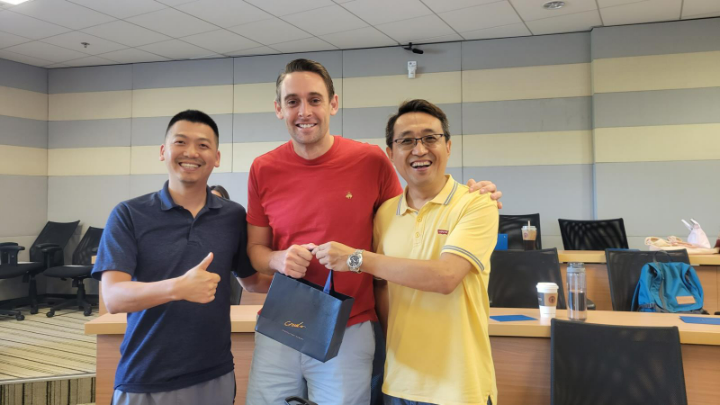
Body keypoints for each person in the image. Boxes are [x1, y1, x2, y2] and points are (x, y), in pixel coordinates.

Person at [245, 59, 502, 404]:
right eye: (293, 101)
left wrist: (473, 195)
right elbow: (256, 251)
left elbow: (414, 209)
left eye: (315, 99)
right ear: (279, 108)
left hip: (350, 324)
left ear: (333, 103)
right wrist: (277, 259)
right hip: (283, 320)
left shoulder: (370, 161)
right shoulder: (263, 168)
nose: (304, 111)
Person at [314, 99, 498, 405]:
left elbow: (446, 277)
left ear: (448, 146)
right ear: (391, 153)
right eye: (407, 141)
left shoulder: (476, 204)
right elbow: (381, 288)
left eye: (430, 138)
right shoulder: (385, 213)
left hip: (460, 387)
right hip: (398, 383)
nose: (420, 150)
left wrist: (358, 259)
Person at [92, 110, 271, 405]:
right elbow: (113, 297)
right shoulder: (128, 214)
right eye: (180, 142)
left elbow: (252, 282)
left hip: (215, 374)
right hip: (145, 377)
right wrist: (178, 288)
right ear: (163, 151)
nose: (191, 152)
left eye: (203, 145)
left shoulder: (233, 216)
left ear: (217, 157)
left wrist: (310, 275)